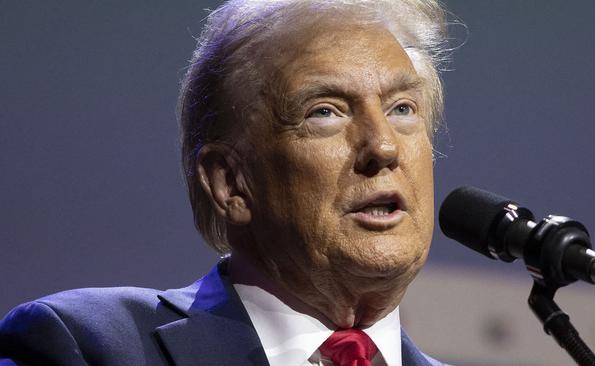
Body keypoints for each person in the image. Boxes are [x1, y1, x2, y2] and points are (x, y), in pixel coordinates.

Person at [0, 0, 450, 365]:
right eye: (325, 112)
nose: (384, 148)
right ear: (230, 182)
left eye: (402, 109)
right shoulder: (83, 346)